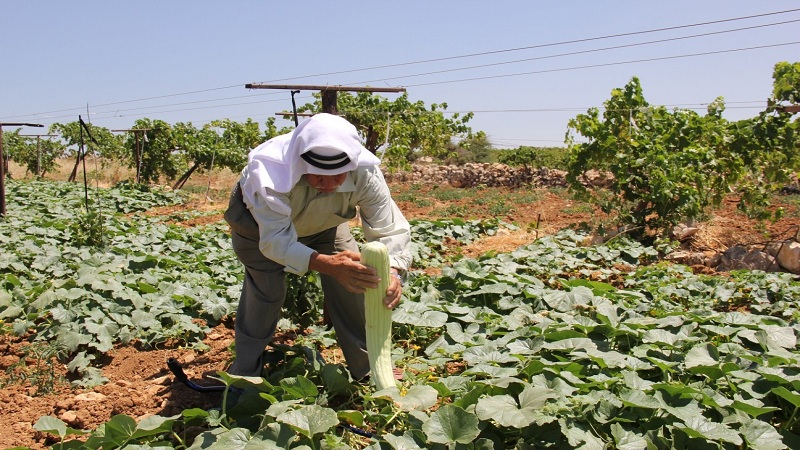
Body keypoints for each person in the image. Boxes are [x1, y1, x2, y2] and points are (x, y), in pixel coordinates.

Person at [223, 113, 412, 381]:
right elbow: (276, 241)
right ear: (301, 164)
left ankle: (368, 367)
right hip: (260, 229)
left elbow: (389, 228)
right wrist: (325, 264)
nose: (328, 186)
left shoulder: (365, 173)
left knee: (357, 282)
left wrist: (392, 272)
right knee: (266, 293)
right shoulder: (268, 173)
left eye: (338, 177)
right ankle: (245, 373)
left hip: (325, 224)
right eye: (319, 177)